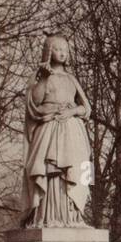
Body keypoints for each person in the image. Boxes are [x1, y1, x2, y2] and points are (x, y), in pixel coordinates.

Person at [21, 35, 92, 227]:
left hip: (72, 131)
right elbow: (34, 103)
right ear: (48, 51)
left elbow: (86, 108)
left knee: (76, 171)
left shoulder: (71, 79)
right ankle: (48, 217)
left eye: (65, 50)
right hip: (49, 129)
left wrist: (72, 111)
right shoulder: (40, 76)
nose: (62, 53)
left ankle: (74, 217)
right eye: (58, 49)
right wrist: (44, 78)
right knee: (49, 171)